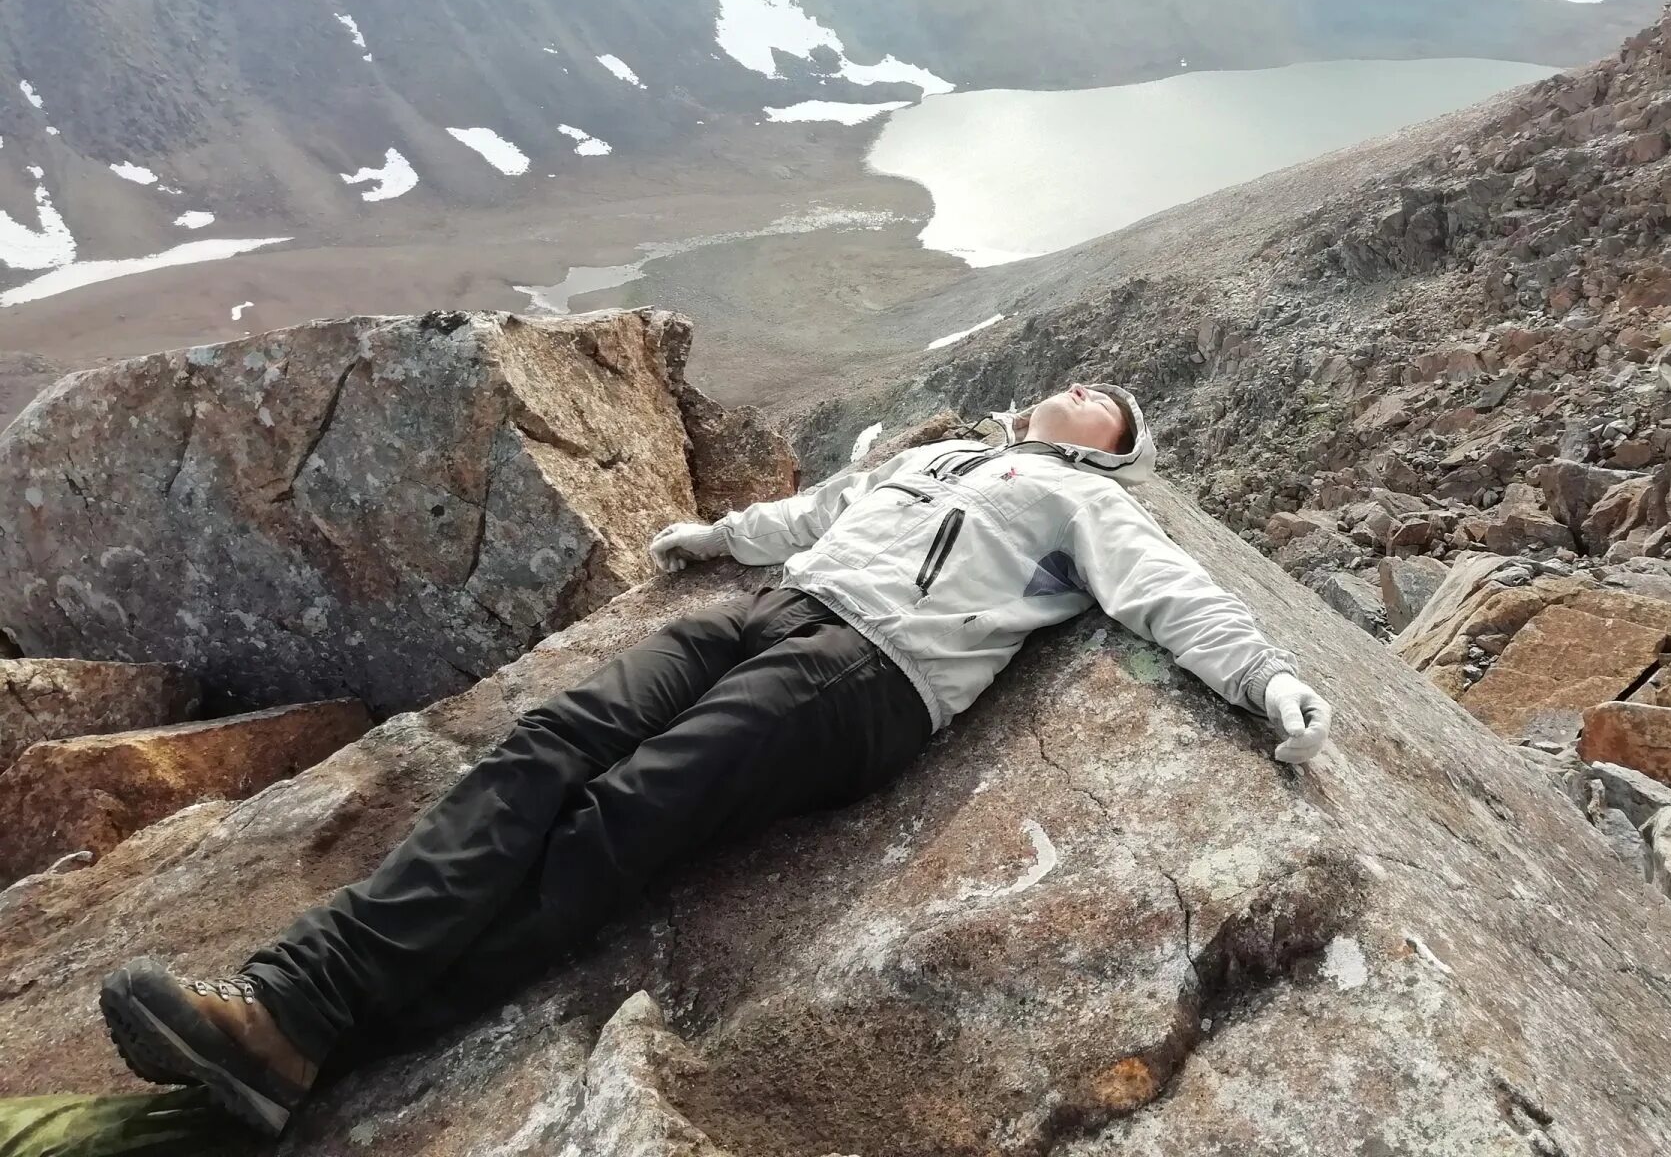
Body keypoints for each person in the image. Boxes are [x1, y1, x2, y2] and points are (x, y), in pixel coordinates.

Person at [97, 382, 1332, 1137]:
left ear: (1115, 449)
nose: (1085, 387)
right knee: (547, 742)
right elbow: (810, 517)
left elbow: (1173, 598)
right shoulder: (936, 455)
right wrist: (709, 538)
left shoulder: (1089, 507)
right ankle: (289, 998)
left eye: (1108, 401)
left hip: (869, 675)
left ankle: (313, 1037)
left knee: (625, 820)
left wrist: (1268, 683)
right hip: (769, 612)